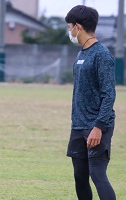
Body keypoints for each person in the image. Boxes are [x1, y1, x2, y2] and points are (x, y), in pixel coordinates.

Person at [65, 5, 116, 200]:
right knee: (80, 176)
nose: (69, 31)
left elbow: (109, 94)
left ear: (78, 26)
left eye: (70, 26)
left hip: (96, 126)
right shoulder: (81, 54)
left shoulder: (101, 55)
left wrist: (99, 127)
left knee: (97, 174)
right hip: (78, 125)